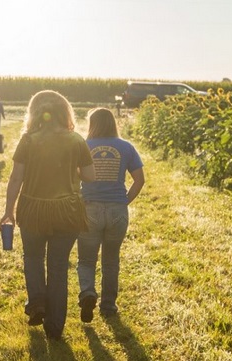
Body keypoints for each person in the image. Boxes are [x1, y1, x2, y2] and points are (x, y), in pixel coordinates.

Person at [0, 90, 95, 340]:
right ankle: (55, 327)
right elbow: (90, 176)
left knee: (32, 257)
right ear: (65, 113)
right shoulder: (76, 140)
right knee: (58, 266)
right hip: (67, 210)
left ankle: (38, 302)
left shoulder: (28, 140)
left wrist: (9, 211)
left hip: (33, 209)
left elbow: (16, 177)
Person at [76, 107, 145, 323]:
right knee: (111, 260)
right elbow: (139, 179)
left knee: (86, 260)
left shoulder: (84, 146)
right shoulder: (125, 147)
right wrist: (124, 201)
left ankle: (87, 293)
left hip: (89, 209)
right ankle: (108, 306)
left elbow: (72, 176)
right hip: (117, 210)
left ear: (92, 124)